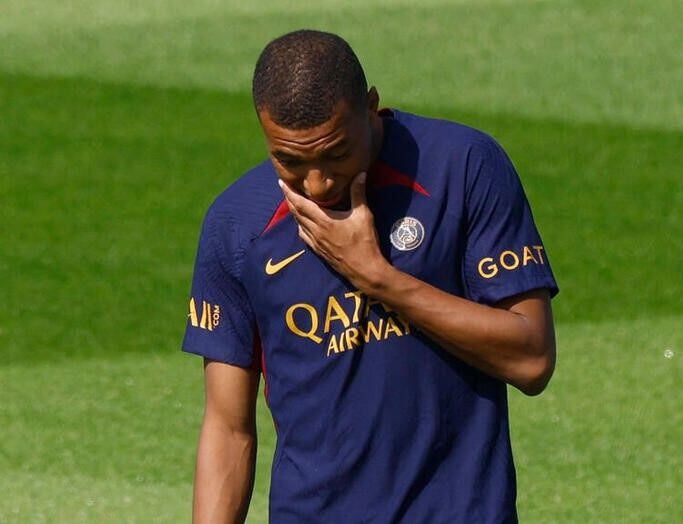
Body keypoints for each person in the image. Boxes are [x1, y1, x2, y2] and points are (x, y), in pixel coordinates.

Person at [182, 29, 559, 523]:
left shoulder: (462, 167)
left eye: (336, 153)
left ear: (371, 107)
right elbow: (229, 430)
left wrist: (378, 279)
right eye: (290, 161)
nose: (318, 184)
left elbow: (531, 359)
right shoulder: (238, 225)